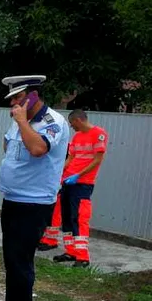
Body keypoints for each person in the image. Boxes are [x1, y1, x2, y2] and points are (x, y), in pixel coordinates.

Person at [0, 75, 69, 301]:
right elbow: (8, 145)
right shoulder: (20, 123)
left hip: (34, 203)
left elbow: (37, 149)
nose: (13, 105)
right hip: (13, 199)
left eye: (18, 99)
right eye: (11, 101)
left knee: (21, 263)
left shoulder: (52, 122)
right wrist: (20, 124)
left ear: (33, 96)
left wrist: (22, 122)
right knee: (12, 261)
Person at [37, 109, 107, 267]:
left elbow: (97, 159)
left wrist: (79, 175)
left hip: (83, 183)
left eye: (72, 123)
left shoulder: (98, 133)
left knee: (80, 218)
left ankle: (83, 257)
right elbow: (71, 158)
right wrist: (60, 172)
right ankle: (71, 251)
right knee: (67, 218)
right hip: (68, 181)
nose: (71, 126)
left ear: (79, 120)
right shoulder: (77, 137)